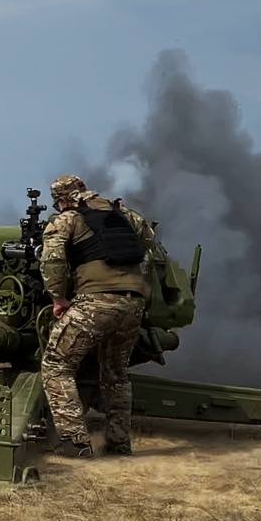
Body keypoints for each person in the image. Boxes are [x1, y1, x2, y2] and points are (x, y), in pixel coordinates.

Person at [38, 174, 155, 458]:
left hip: (96, 301)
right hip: (134, 303)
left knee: (56, 364)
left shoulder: (66, 219)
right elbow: (148, 239)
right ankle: (118, 443)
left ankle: (74, 442)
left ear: (62, 199)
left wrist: (58, 298)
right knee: (116, 374)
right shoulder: (123, 213)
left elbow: (52, 260)